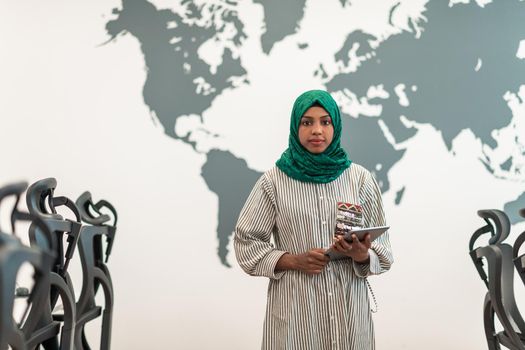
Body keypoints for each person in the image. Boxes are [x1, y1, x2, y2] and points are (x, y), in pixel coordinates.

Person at [234, 90, 393, 350]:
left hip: (349, 315)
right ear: (295, 126)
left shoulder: (360, 180)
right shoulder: (273, 182)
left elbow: (383, 252)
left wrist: (361, 254)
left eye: (325, 122)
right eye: (307, 122)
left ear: (336, 126)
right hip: (296, 315)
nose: (317, 130)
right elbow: (246, 243)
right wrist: (294, 260)